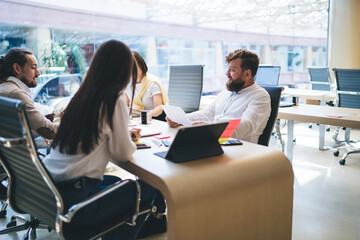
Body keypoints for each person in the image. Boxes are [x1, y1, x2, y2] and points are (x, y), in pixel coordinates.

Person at [43, 40, 166, 240]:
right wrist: (126, 138)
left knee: (117, 182)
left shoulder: (81, 96)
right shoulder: (113, 98)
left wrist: (120, 135)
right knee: (147, 189)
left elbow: (94, 135)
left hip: (51, 191)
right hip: (77, 203)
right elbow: (123, 153)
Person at [167, 49, 271, 144]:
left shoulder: (260, 96)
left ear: (247, 74)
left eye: (232, 70)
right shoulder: (227, 92)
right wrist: (181, 119)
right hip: (215, 142)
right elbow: (208, 114)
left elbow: (246, 126)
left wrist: (211, 128)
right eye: (228, 69)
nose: (227, 74)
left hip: (240, 148)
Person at [0, 48, 58, 139]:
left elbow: (36, 108)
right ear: (17, 68)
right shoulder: (16, 94)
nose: (38, 73)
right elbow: (49, 130)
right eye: (33, 68)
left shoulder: (5, 89)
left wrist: (55, 113)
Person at [125, 51, 169, 121]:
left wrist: (147, 114)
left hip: (153, 119)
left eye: (134, 66)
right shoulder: (127, 84)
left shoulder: (152, 82)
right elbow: (125, 107)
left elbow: (159, 108)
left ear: (141, 65)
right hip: (135, 119)